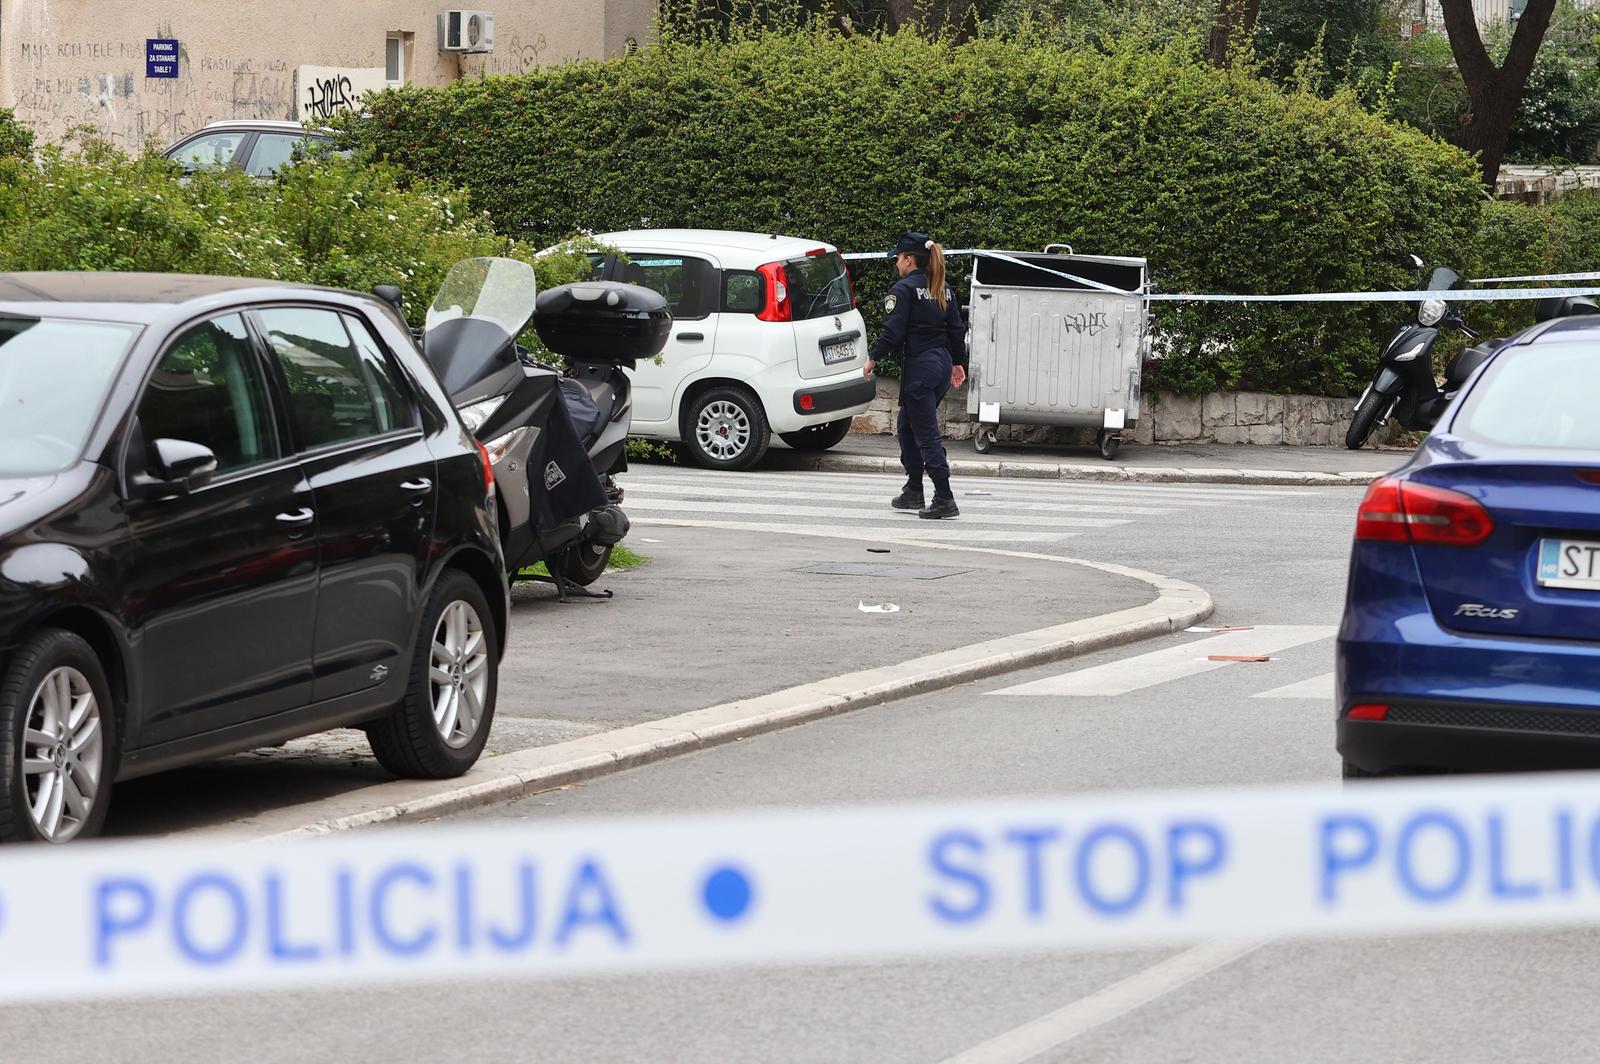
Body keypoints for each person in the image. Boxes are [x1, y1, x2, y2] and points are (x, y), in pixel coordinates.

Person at [865, 232, 968, 519]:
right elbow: (956, 330)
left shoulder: (904, 289)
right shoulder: (942, 287)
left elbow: (893, 331)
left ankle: (945, 497)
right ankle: (913, 489)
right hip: (941, 365)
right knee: (907, 427)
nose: (896, 263)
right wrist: (958, 363)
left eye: (898, 258)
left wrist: (872, 357)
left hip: (921, 368)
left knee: (925, 434)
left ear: (909, 260)